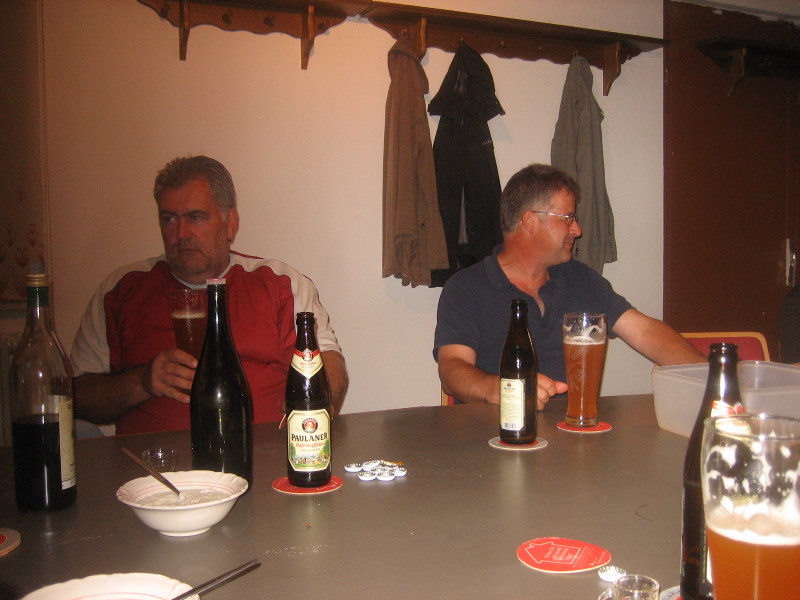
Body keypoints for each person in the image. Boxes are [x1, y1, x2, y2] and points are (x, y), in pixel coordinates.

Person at [71, 155, 348, 434]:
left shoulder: (280, 283)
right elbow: (76, 397)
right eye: (169, 219)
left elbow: (329, 364)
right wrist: (142, 382)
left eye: (195, 218)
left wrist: (314, 410)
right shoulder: (122, 290)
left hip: (261, 452)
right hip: (152, 458)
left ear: (230, 223)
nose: (181, 233)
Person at [433, 163, 704, 408]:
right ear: (530, 221)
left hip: (572, 431)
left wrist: (713, 378)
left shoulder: (580, 278)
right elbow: (452, 369)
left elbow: (644, 332)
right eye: (568, 218)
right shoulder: (466, 288)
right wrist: (500, 389)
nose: (577, 230)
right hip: (494, 433)